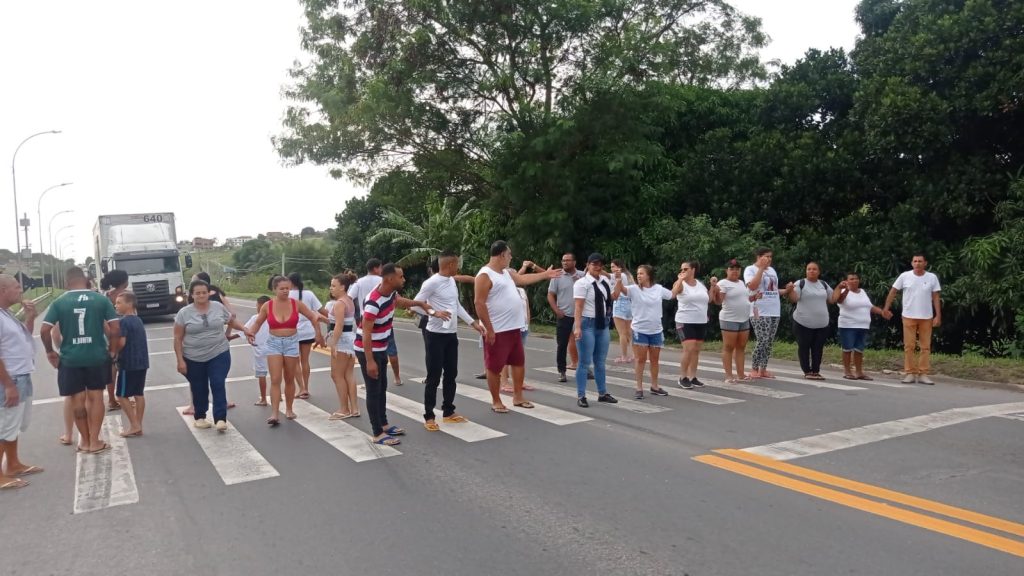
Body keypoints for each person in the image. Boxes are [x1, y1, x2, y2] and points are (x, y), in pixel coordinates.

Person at [41, 267, 120, 453]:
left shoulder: (59, 302)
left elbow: (45, 330)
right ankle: (95, 441)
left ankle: (84, 441)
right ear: (85, 280)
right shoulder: (101, 300)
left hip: (70, 358)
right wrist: (113, 349)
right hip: (96, 356)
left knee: (77, 400)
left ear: (67, 283)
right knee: (96, 397)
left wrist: (50, 352)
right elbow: (115, 328)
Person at [474, 241, 560, 413]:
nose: (511, 257)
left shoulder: (505, 273)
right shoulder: (485, 274)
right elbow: (479, 303)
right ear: (502, 255)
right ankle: (496, 400)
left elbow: (522, 279)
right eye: (509, 254)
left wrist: (545, 275)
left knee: (518, 362)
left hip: (514, 328)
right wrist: (489, 329)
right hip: (497, 330)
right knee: (494, 366)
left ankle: (518, 397)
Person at [355, 264, 435, 445]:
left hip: (380, 347)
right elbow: (366, 333)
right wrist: (369, 361)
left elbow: (399, 301)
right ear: (389, 279)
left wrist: (419, 303)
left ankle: (383, 425)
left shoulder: (390, 294)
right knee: (373, 391)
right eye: (401, 276)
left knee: (381, 388)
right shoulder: (373, 302)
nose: (404, 279)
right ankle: (377, 433)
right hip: (368, 350)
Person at [412, 252, 485, 431]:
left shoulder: (451, 281)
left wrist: (473, 322)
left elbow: (456, 306)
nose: (458, 266)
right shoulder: (431, 283)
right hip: (434, 335)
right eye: (457, 263)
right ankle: (429, 416)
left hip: (451, 335)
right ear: (450, 264)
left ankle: (448, 411)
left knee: (451, 374)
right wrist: (433, 313)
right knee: (433, 376)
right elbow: (414, 305)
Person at [246, 276, 326, 425]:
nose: (285, 291)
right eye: (281, 288)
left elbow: (313, 317)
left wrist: (318, 334)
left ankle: (289, 409)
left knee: (289, 378)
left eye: (287, 288)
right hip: (274, 343)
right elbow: (258, 322)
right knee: (275, 379)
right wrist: (251, 333)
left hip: (291, 342)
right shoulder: (267, 306)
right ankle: (275, 413)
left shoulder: (297, 304)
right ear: (274, 289)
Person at [174, 280, 251, 431]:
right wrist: (180, 360)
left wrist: (245, 328)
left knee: (218, 383)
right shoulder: (184, 313)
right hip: (193, 357)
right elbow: (177, 338)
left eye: (204, 292)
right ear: (191, 295)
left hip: (219, 352)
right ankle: (200, 416)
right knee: (199, 387)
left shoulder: (218, 307)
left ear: (209, 293)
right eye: (197, 293)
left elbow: (231, 321)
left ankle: (220, 419)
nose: (201, 295)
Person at [0, 274, 42, 489]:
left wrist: (30, 317)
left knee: (14, 425)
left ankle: (13, 464)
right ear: (3, 290)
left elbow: (24, 337)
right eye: (16, 287)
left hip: (21, 375)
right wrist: (8, 385)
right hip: (10, 379)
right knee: (4, 425)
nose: (20, 291)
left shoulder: (6, 314)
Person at [613, 264, 673, 399]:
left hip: (656, 330)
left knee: (654, 360)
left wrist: (681, 280)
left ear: (649, 276)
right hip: (640, 329)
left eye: (641, 273)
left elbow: (672, 294)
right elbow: (621, 291)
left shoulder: (658, 289)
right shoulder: (634, 289)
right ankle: (639, 388)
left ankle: (654, 386)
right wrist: (618, 280)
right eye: (638, 273)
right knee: (640, 360)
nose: (638, 276)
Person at [183, 271, 238, 414]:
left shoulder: (196, 299)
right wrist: (227, 333)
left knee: (197, 380)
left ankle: (194, 405)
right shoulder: (219, 293)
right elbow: (232, 313)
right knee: (217, 378)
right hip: (218, 343)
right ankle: (222, 401)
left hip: (203, 347)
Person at [883, 254, 942, 384]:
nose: (917, 263)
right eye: (915, 261)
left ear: (925, 263)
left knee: (925, 346)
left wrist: (938, 315)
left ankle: (923, 373)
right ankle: (910, 372)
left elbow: (936, 297)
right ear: (912, 263)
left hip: (926, 316)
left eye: (920, 261)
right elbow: (893, 291)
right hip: (909, 315)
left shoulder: (932, 277)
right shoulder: (905, 276)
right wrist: (886, 308)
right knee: (909, 346)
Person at [572, 253, 620, 408]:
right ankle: (581, 395)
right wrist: (577, 327)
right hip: (587, 323)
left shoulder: (604, 281)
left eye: (600, 264)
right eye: (594, 264)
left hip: (602, 323)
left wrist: (618, 280)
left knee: (600, 361)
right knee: (584, 362)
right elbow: (578, 306)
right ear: (588, 265)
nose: (597, 267)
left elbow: (614, 297)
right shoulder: (582, 283)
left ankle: (602, 393)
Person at [744, 248, 792, 379]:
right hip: (759, 309)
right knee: (762, 339)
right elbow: (752, 286)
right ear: (758, 257)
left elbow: (773, 290)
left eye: (770, 257)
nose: (769, 259)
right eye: (766, 257)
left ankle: (763, 369)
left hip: (774, 310)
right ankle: (754, 368)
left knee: (769, 341)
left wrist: (786, 290)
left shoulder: (772, 271)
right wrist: (761, 269)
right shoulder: (750, 269)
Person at [787, 262, 836, 380]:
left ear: (819, 272)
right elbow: (794, 298)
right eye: (809, 269)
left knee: (818, 348)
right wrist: (790, 290)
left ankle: (816, 370)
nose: (811, 271)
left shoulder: (823, 284)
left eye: (814, 269)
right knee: (804, 347)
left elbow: (832, 299)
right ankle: (807, 371)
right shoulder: (800, 283)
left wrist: (840, 288)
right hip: (802, 322)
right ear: (806, 271)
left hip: (822, 324)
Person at [711, 259, 757, 383]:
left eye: (737, 269)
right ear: (727, 271)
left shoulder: (742, 283)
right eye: (732, 269)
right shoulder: (723, 283)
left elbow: (745, 299)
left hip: (744, 318)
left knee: (741, 347)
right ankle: (728, 375)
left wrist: (753, 297)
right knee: (729, 347)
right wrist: (715, 290)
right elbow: (718, 301)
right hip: (729, 318)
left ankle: (741, 374)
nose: (735, 271)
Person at [834, 273, 886, 380]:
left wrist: (882, 312)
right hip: (848, 325)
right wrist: (847, 290)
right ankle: (847, 371)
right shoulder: (843, 291)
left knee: (859, 349)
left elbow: (869, 306)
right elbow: (839, 301)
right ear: (847, 281)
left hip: (863, 325)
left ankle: (859, 372)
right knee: (847, 349)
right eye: (851, 279)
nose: (854, 280)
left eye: (856, 278)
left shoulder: (862, 292)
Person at [112, 292, 148, 437]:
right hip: (142, 362)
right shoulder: (138, 320)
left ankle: (134, 424)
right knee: (138, 394)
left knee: (121, 395)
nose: (116, 305)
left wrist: (114, 352)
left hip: (129, 363)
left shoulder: (124, 322)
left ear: (129, 304)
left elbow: (122, 342)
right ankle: (138, 424)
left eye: (119, 302)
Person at [547, 252, 584, 382]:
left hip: (581, 315)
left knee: (583, 343)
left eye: (568, 260)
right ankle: (562, 371)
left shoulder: (582, 275)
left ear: (574, 262)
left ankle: (584, 368)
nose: (565, 263)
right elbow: (550, 295)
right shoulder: (557, 276)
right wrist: (556, 310)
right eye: (563, 260)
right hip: (565, 315)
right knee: (562, 344)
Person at [672, 261, 709, 389]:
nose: (683, 271)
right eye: (681, 269)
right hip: (685, 320)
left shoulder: (700, 284)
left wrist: (714, 287)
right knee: (689, 348)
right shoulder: (681, 284)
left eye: (686, 269)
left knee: (696, 350)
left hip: (700, 320)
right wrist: (679, 280)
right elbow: (673, 293)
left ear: (693, 270)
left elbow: (707, 299)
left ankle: (693, 377)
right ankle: (683, 377)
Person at [500, 260, 536, 392]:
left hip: (523, 326)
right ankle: (504, 382)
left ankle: (519, 381)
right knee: (506, 356)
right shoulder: (504, 292)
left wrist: (527, 323)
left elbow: (526, 308)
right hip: (509, 327)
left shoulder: (521, 291)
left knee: (519, 357)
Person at [327, 273, 359, 419]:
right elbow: (342, 323)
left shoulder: (339, 303)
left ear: (343, 287)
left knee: (336, 375)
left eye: (334, 285)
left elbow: (338, 325)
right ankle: (354, 408)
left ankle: (344, 409)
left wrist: (333, 344)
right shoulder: (349, 300)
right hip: (350, 339)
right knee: (348, 374)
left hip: (342, 341)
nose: (331, 288)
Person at [288, 272, 324, 400]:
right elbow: (318, 311)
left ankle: (301, 388)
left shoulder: (287, 295)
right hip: (308, 329)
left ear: (290, 282)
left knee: (295, 361)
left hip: (293, 330)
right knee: (305, 360)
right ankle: (306, 388)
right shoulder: (309, 294)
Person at [101, 269, 129, 410]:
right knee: (123, 368)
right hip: (123, 337)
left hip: (109, 338)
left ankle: (113, 399)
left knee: (112, 370)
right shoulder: (127, 296)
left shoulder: (104, 297)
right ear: (124, 282)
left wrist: (110, 337)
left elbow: (103, 321)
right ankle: (119, 399)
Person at [245, 295, 272, 406]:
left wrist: (230, 337)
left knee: (262, 375)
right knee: (276, 373)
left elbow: (245, 330)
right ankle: (278, 395)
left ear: (261, 305)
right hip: (273, 349)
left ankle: (263, 399)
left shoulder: (255, 318)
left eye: (257, 305)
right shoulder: (274, 318)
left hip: (260, 350)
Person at [610, 259, 634, 364]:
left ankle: (624, 356)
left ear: (619, 267)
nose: (612, 269)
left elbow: (607, 276)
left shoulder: (620, 276)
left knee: (622, 333)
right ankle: (634, 355)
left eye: (613, 266)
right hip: (629, 303)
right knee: (629, 332)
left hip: (620, 302)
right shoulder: (629, 275)